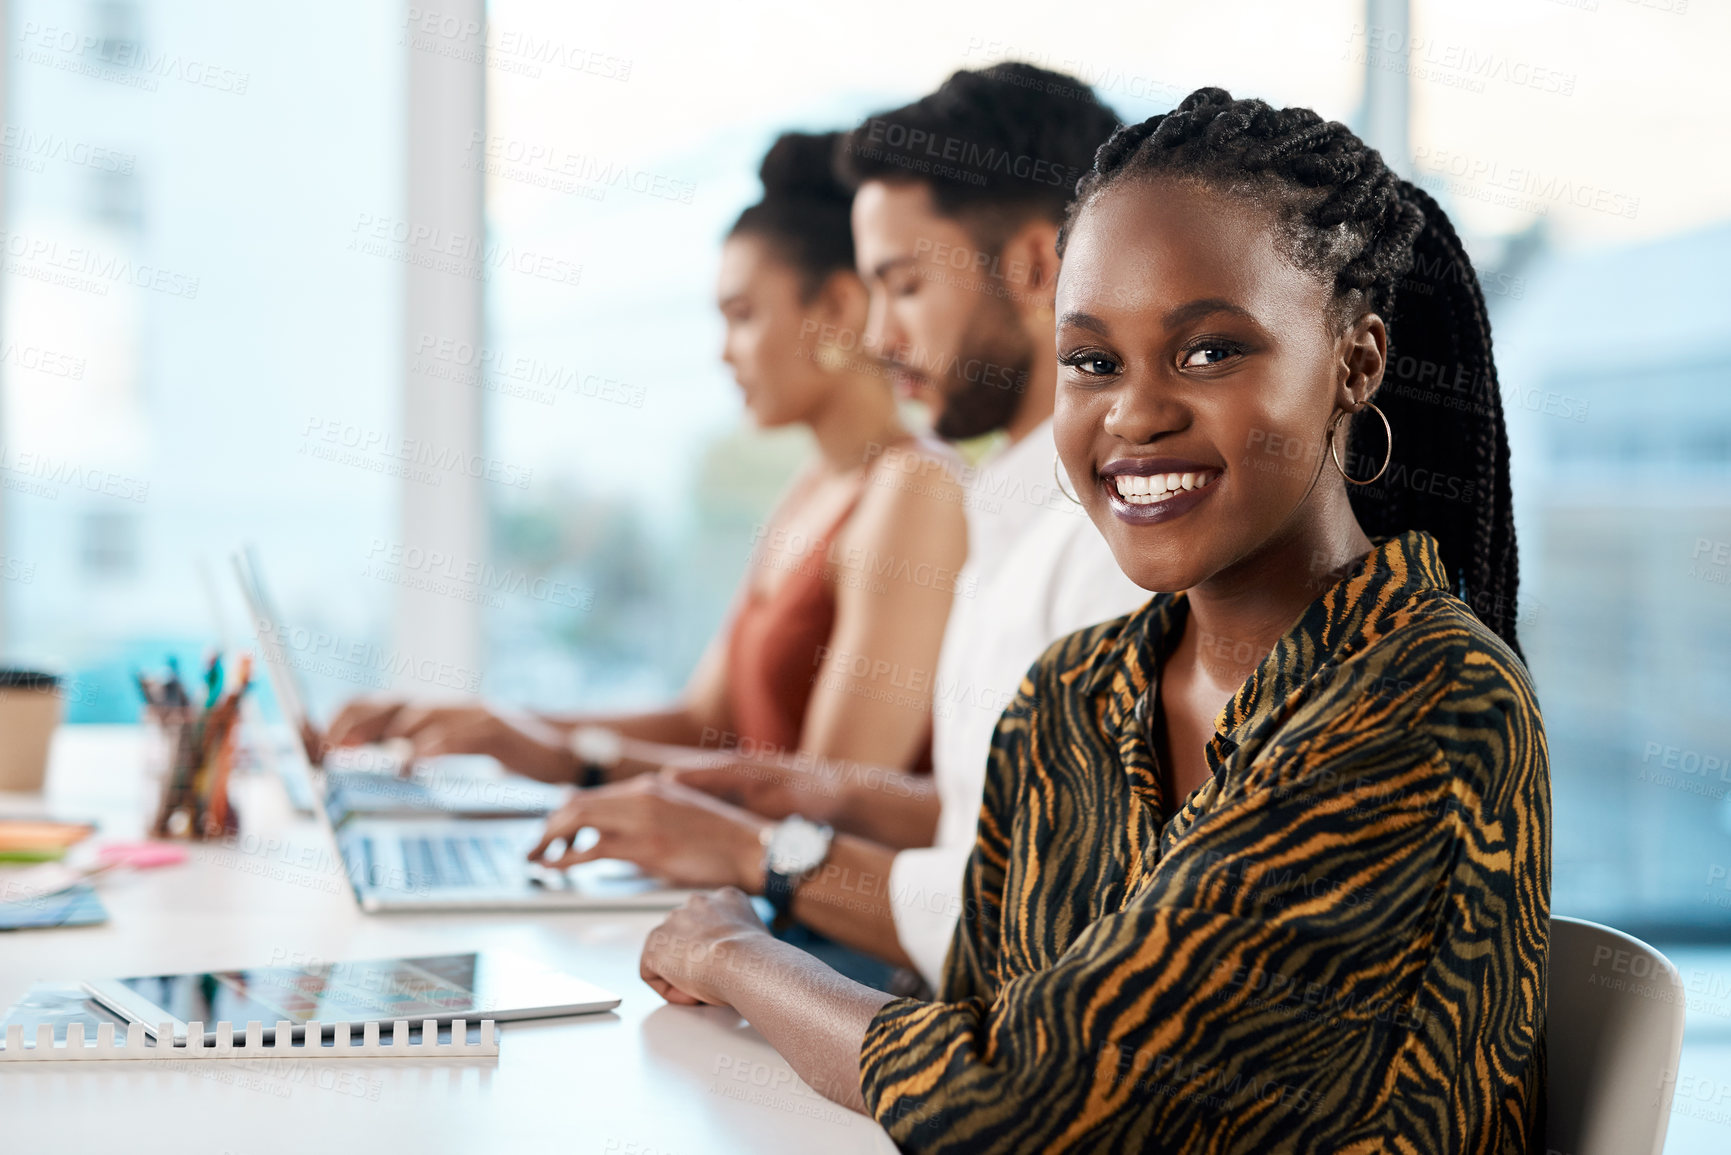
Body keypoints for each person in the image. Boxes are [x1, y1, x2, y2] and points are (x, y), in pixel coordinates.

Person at [630, 88, 1551, 1154]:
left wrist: (733, 949)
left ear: (1357, 361)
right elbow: (977, 996)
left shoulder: (1426, 702)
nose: (1135, 413)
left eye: (1209, 351)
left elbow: (1018, 1096)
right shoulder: (1074, 693)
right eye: (1092, 360)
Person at [527, 64, 1147, 990]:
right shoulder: (1006, 512)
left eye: (902, 288)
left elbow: (1032, 915)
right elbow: (987, 815)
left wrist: (762, 851)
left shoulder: (1112, 546)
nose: (883, 338)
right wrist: (791, 793)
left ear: (1031, 269)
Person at [327, 131, 966, 802]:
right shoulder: (815, 486)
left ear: (835, 309)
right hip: (736, 886)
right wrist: (494, 727)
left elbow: (826, 799)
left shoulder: (914, 489)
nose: (725, 354)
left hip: (794, 902)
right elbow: (703, 723)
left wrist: (561, 758)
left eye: (742, 315)